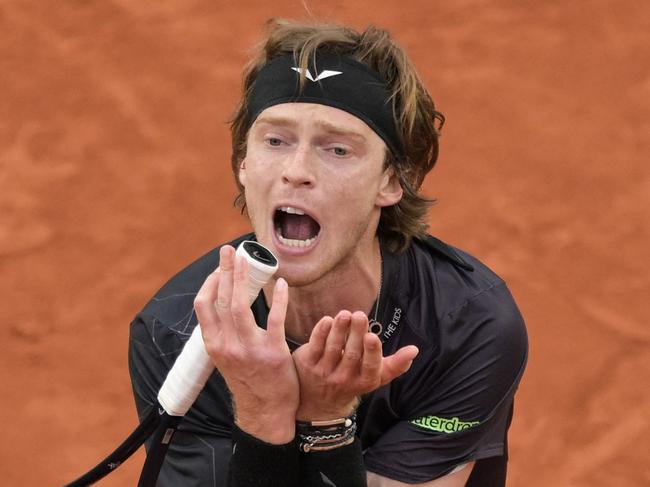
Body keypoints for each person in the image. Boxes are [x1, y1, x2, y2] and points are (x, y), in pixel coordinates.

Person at [129, 18, 528, 487]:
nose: (296, 171)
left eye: (337, 150)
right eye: (275, 141)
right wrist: (265, 407)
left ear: (391, 181)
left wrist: (325, 420)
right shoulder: (177, 335)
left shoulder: (466, 325)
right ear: (244, 163)